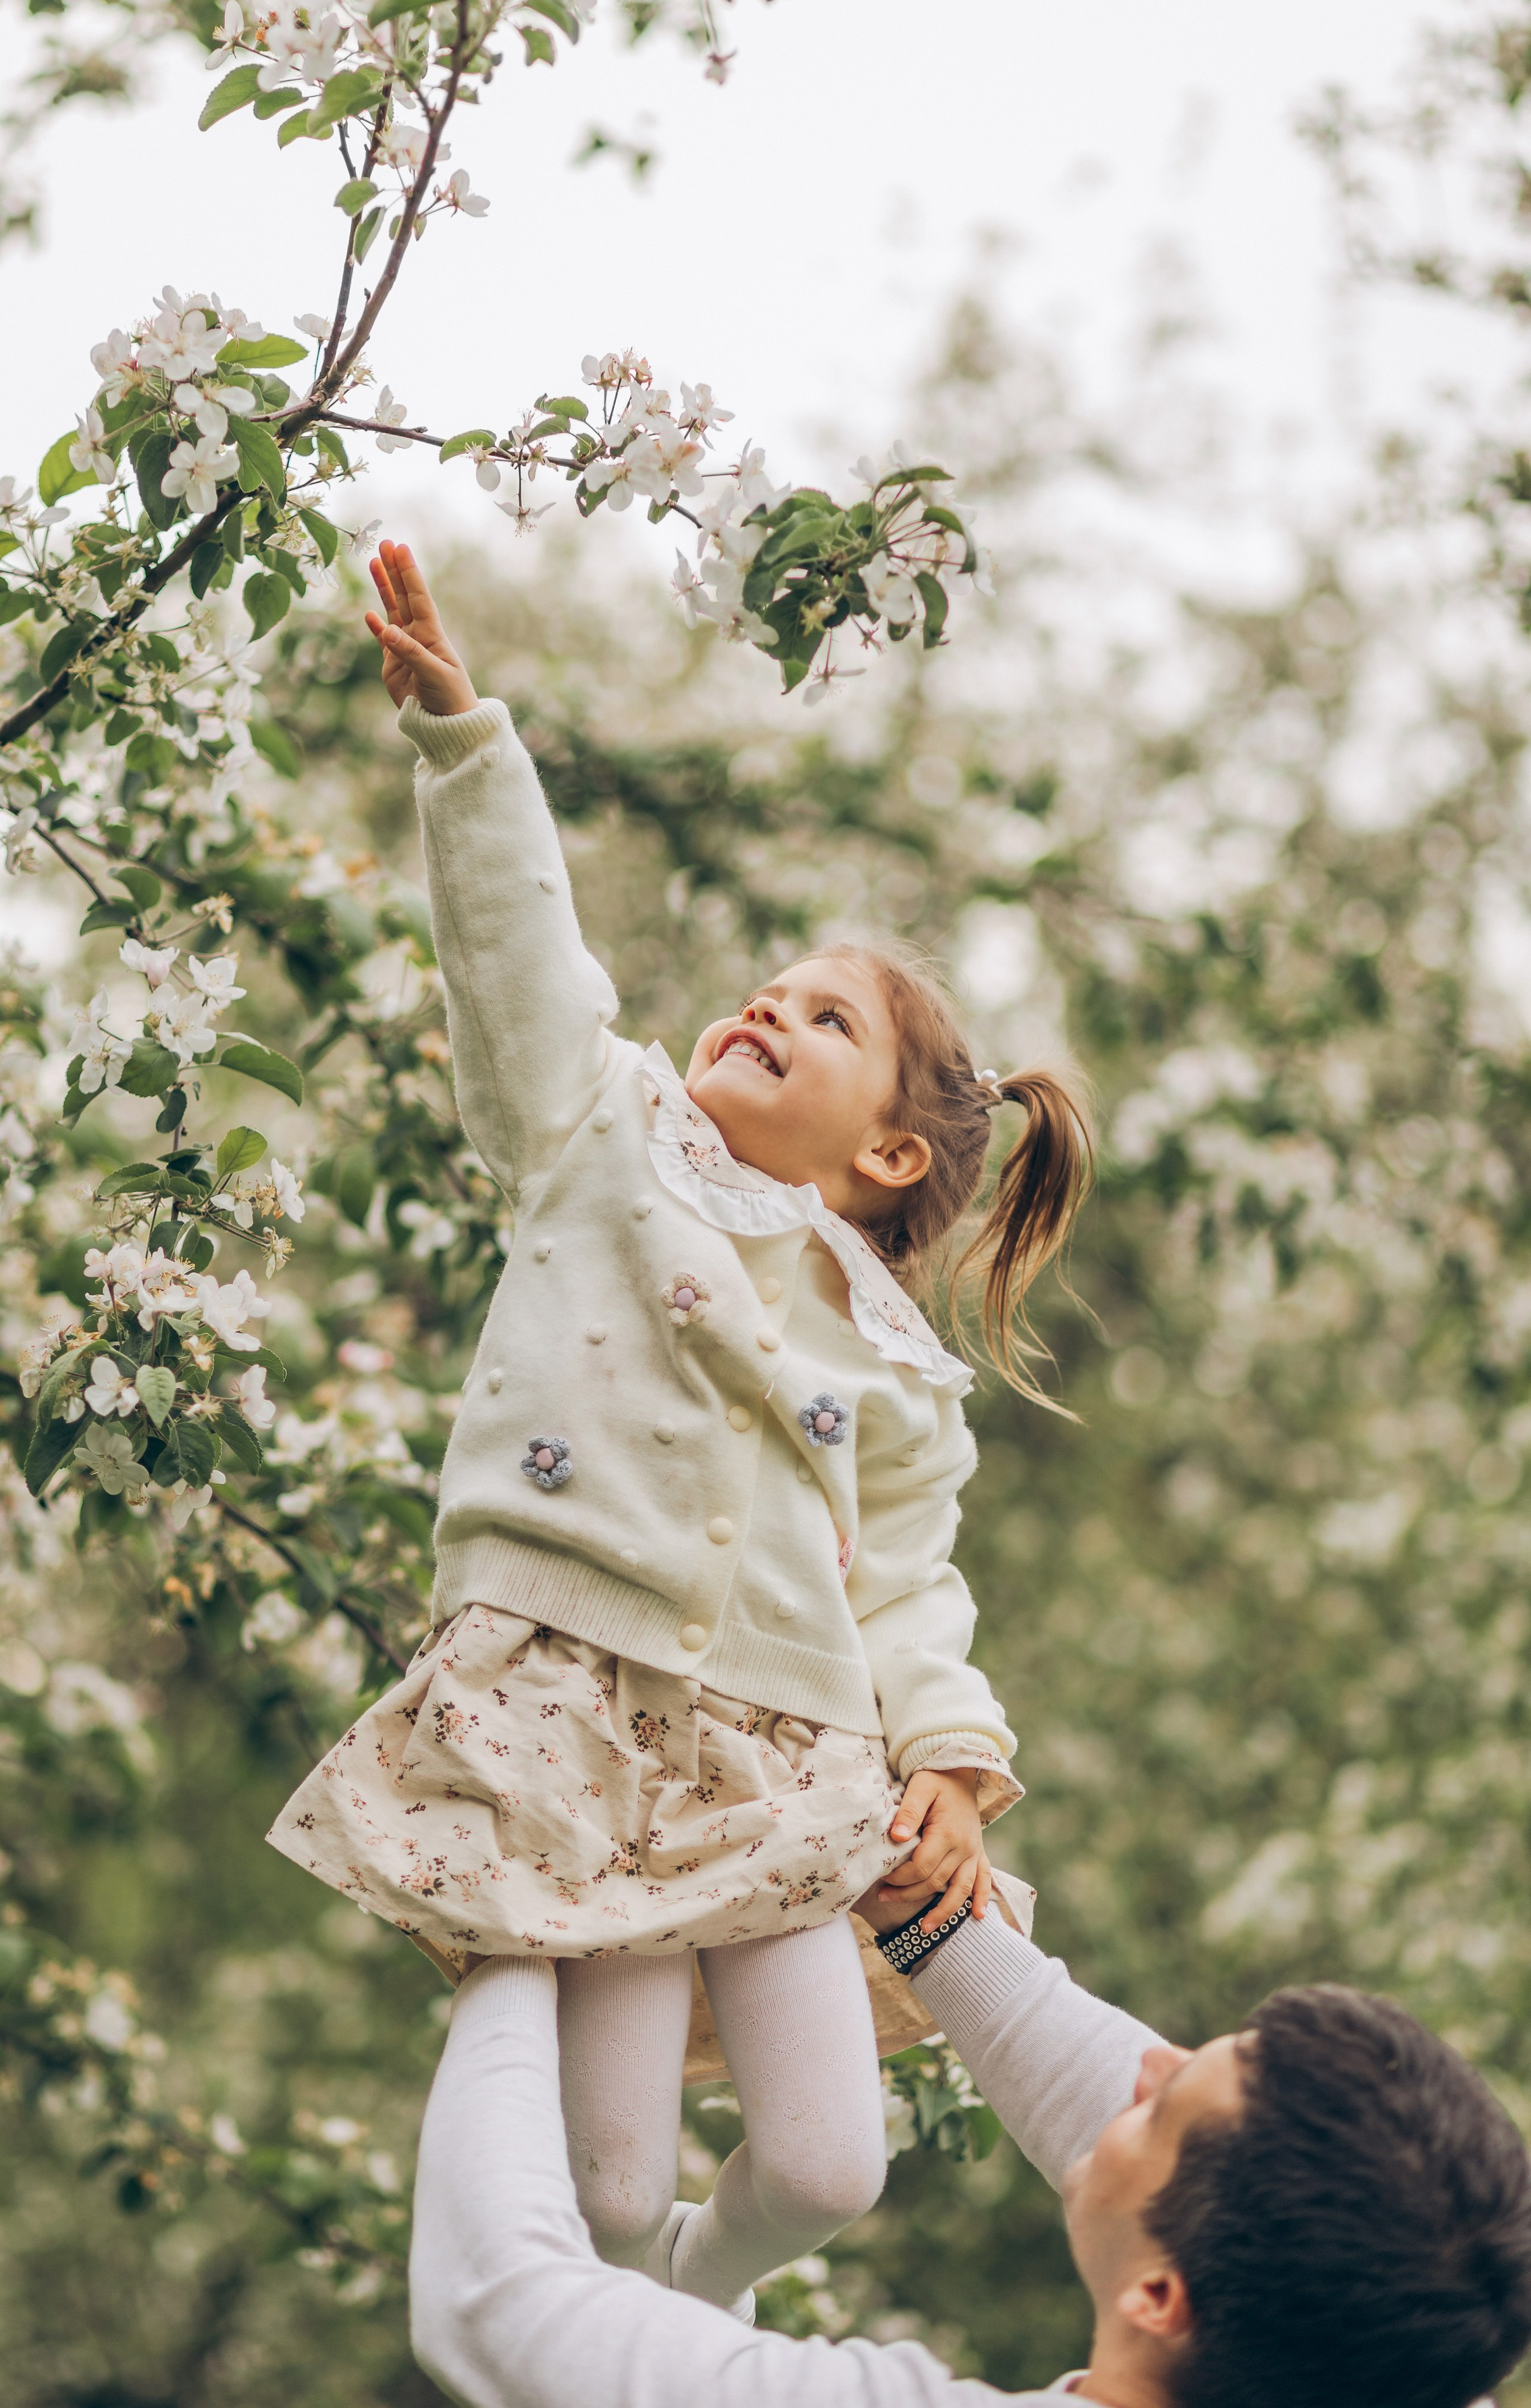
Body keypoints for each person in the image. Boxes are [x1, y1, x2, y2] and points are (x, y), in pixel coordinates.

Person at [267, 543, 1093, 2315]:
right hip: (583, 1711)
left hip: (786, 1751)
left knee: (826, 2164)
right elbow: (522, 965)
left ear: (885, 1156)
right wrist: (465, 748)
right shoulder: (604, 1128)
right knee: (616, 2175)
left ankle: (699, 2316)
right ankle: (625, 2353)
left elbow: (912, 1594)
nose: (767, 1008)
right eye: (769, 988)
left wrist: (944, 1761)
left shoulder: (890, 1362)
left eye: (825, 1017)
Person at [407, 1882, 1531, 2408]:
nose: (1141, 2067)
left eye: (1163, 2103)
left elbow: (495, 2299)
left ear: (1157, 2298)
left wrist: (512, 1939)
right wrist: (934, 1922)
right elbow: (1257, 2212)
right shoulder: (1399, 2354)